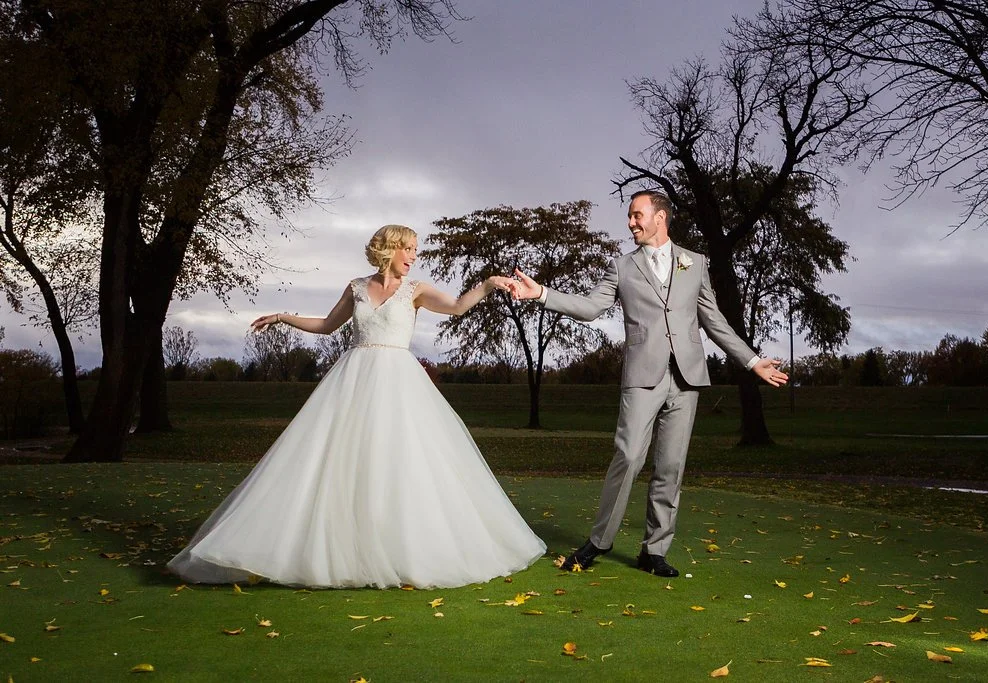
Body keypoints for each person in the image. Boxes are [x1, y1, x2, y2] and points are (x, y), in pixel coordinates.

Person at [168, 224, 546, 589]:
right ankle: (338, 553)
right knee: (339, 463)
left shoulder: (415, 290)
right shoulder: (357, 287)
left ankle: (403, 552)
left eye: (415, 250)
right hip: (352, 382)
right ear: (390, 248)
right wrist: (283, 317)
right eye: (408, 249)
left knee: (401, 466)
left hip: (400, 386)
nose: (413, 256)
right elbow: (328, 325)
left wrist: (489, 284)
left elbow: (459, 307)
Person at [509, 190, 787, 578]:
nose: (631, 223)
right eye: (629, 216)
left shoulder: (696, 263)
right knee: (629, 456)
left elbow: (715, 321)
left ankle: (654, 551)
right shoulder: (622, 267)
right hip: (642, 378)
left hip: (686, 379)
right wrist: (540, 293)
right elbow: (591, 309)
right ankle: (599, 542)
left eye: (637, 215)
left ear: (661, 217)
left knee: (670, 466)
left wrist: (753, 361)